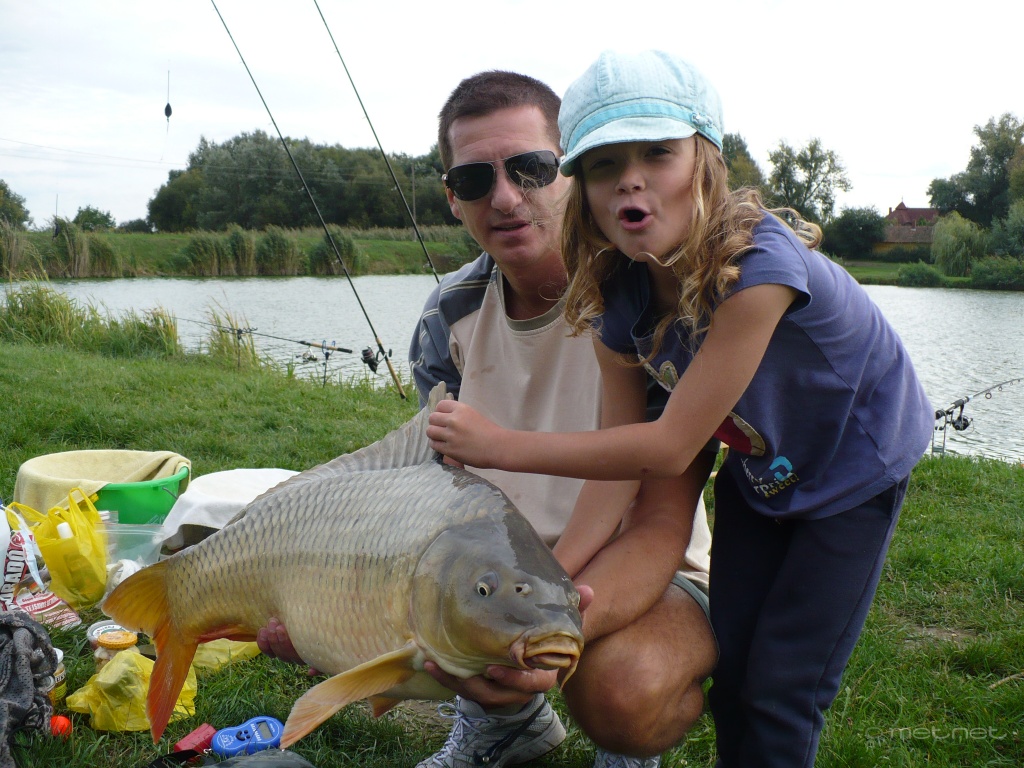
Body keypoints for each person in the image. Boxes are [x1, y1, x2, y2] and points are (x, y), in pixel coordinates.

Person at [425, 50, 934, 768]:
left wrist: (499, 444)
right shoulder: (618, 291)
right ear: (584, 188)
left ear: (706, 162)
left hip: (854, 472)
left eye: (658, 153)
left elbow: (664, 449)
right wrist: (548, 590)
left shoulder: (759, 272)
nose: (630, 178)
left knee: (782, 688)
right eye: (604, 163)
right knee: (737, 673)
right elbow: (617, 469)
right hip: (762, 473)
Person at [258, 70, 717, 768]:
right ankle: (506, 724)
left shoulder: (650, 303)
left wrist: (538, 624)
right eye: (474, 180)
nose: (504, 198)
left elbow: (660, 523)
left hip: (645, 565)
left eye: (530, 169)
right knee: (410, 605)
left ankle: (626, 747)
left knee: (623, 688)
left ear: (571, 172)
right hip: (491, 575)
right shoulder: (448, 314)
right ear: (452, 198)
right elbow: (434, 499)